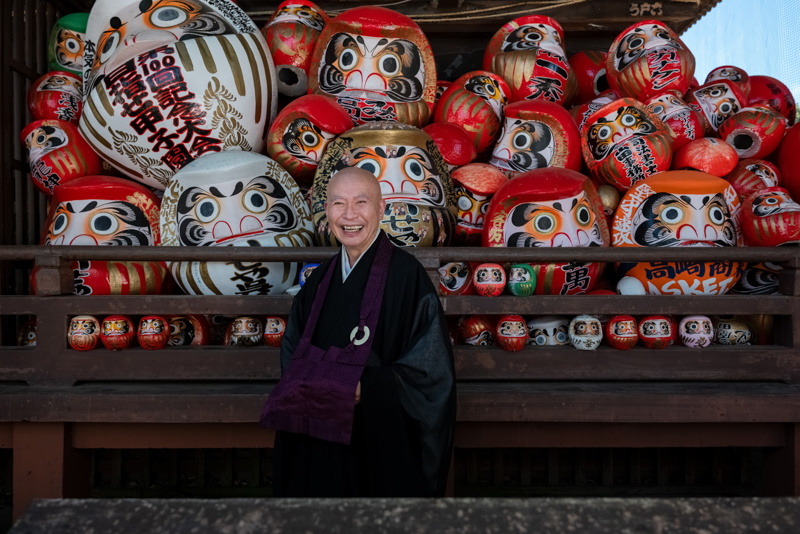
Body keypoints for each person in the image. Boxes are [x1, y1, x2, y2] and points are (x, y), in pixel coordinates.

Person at [260, 167, 456, 497]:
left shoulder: (407, 277)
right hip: (318, 428)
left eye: (361, 202)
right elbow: (294, 349)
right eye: (338, 204)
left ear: (381, 209)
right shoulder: (320, 280)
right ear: (326, 211)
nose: (349, 215)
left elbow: (431, 373)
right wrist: (318, 385)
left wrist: (370, 388)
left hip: (377, 434)